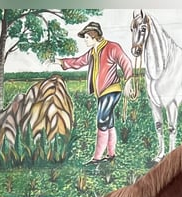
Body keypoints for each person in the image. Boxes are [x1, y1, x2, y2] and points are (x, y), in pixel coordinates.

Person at [54, 22, 134, 165]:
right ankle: (111, 155)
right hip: (101, 93)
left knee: (101, 121)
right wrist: (60, 61)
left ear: (93, 36)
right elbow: (78, 62)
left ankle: (97, 158)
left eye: (86, 37)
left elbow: (126, 62)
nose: (85, 40)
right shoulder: (92, 52)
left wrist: (128, 80)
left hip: (111, 90)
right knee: (108, 122)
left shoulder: (112, 47)